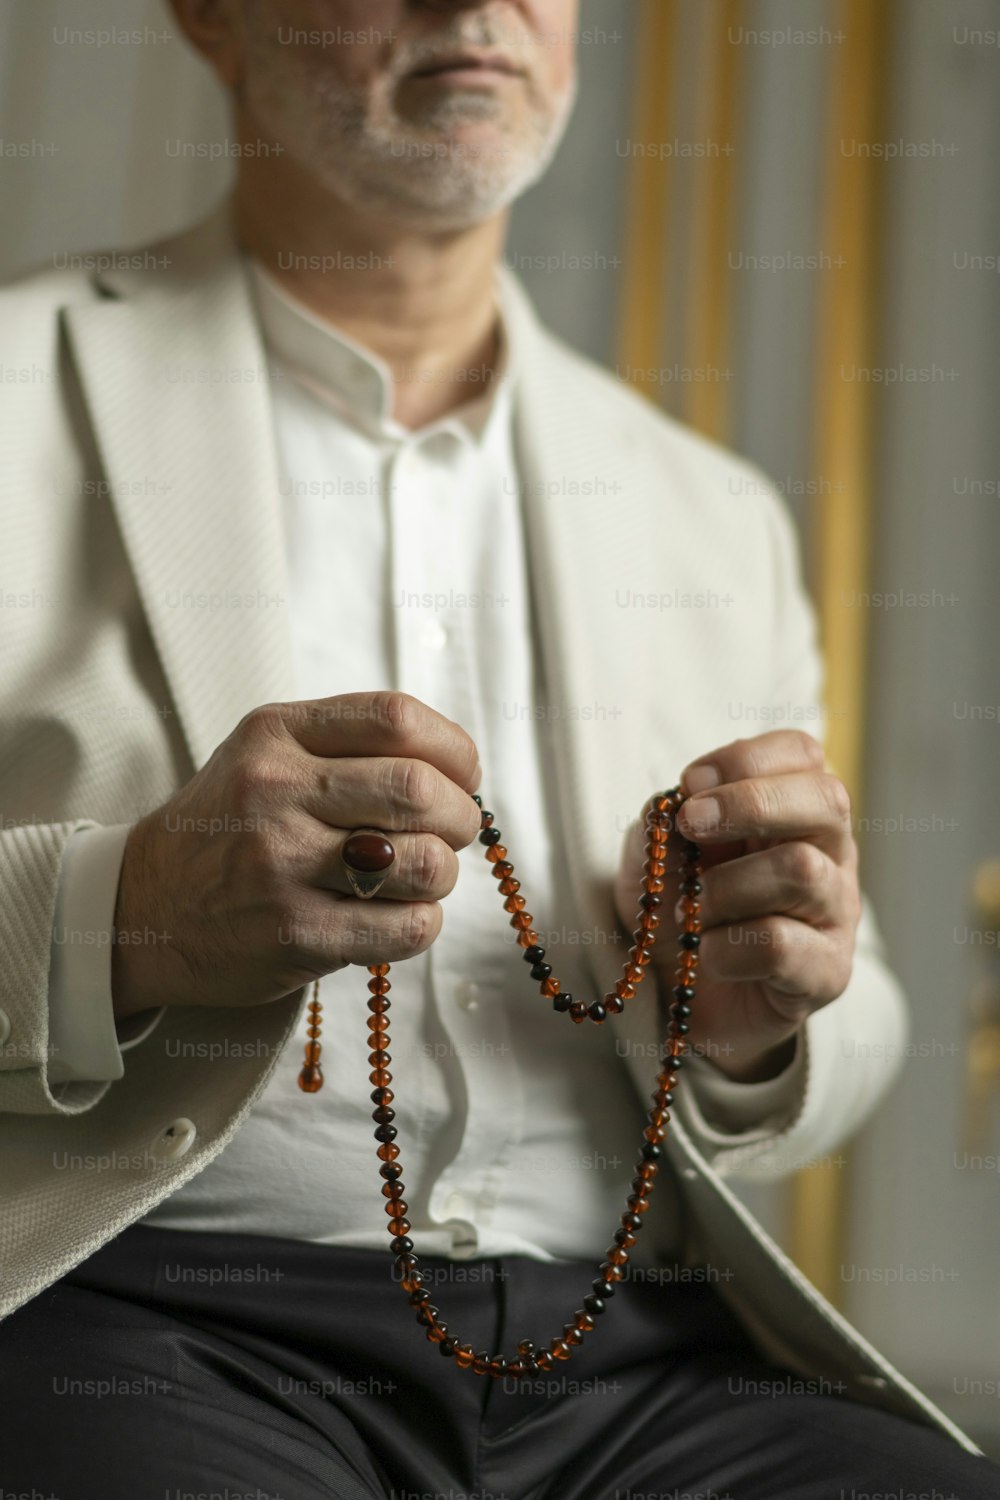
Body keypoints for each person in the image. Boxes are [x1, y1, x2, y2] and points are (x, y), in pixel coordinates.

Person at [0, 1, 996, 1495]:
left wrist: (761, 1027)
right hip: (141, 1322)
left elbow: (856, 1029)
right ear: (210, 16)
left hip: (646, 1367)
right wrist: (131, 913)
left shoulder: (711, 513)